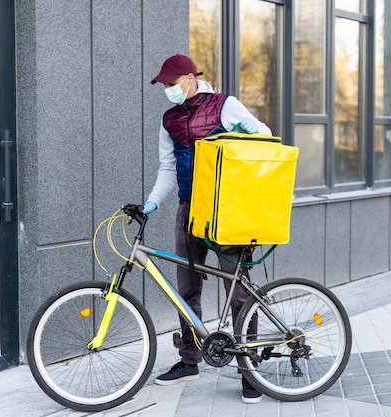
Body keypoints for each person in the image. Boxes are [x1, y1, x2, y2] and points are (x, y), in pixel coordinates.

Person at [144, 54, 271, 404]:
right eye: (164, 85)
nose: (167, 90)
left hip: (227, 210)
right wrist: (151, 204)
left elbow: (265, 135)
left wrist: (251, 130)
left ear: (189, 78)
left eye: (171, 83)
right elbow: (168, 169)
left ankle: (250, 369)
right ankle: (189, 359)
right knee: (186, 288)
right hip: (189, 210)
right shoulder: (169, 119)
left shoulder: (223, 105)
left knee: (240, 290)